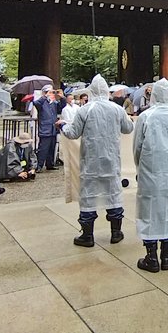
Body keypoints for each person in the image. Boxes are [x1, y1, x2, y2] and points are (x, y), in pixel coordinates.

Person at [64, 75, 134, 247]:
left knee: (88, 195)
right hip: (111, 160)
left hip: (91, 161)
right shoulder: (117, 109)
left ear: (92, 91)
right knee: (113, 193)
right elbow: (128, 128)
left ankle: (87, 235)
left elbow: (73, 133)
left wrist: (63, 126)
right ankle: (116, 232)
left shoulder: (85, 110)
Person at [133, 79, 168, 273]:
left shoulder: (146, 116)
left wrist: (139, 167)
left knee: (148, 210)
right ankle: (167, 255)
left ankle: (151, 257)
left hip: (150, 169)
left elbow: (137, 146)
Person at [33, 85, 66, 171]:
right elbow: (36, 103)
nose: (52, 94)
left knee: (52, 148)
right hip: (45, 129)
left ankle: (50, 164)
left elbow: (61, 107)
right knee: (43, 149)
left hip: (53, 128)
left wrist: (62, 97)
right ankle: (39, 166)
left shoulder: (54, 103)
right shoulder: (41, 103)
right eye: (50, 92)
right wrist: (45, 96)